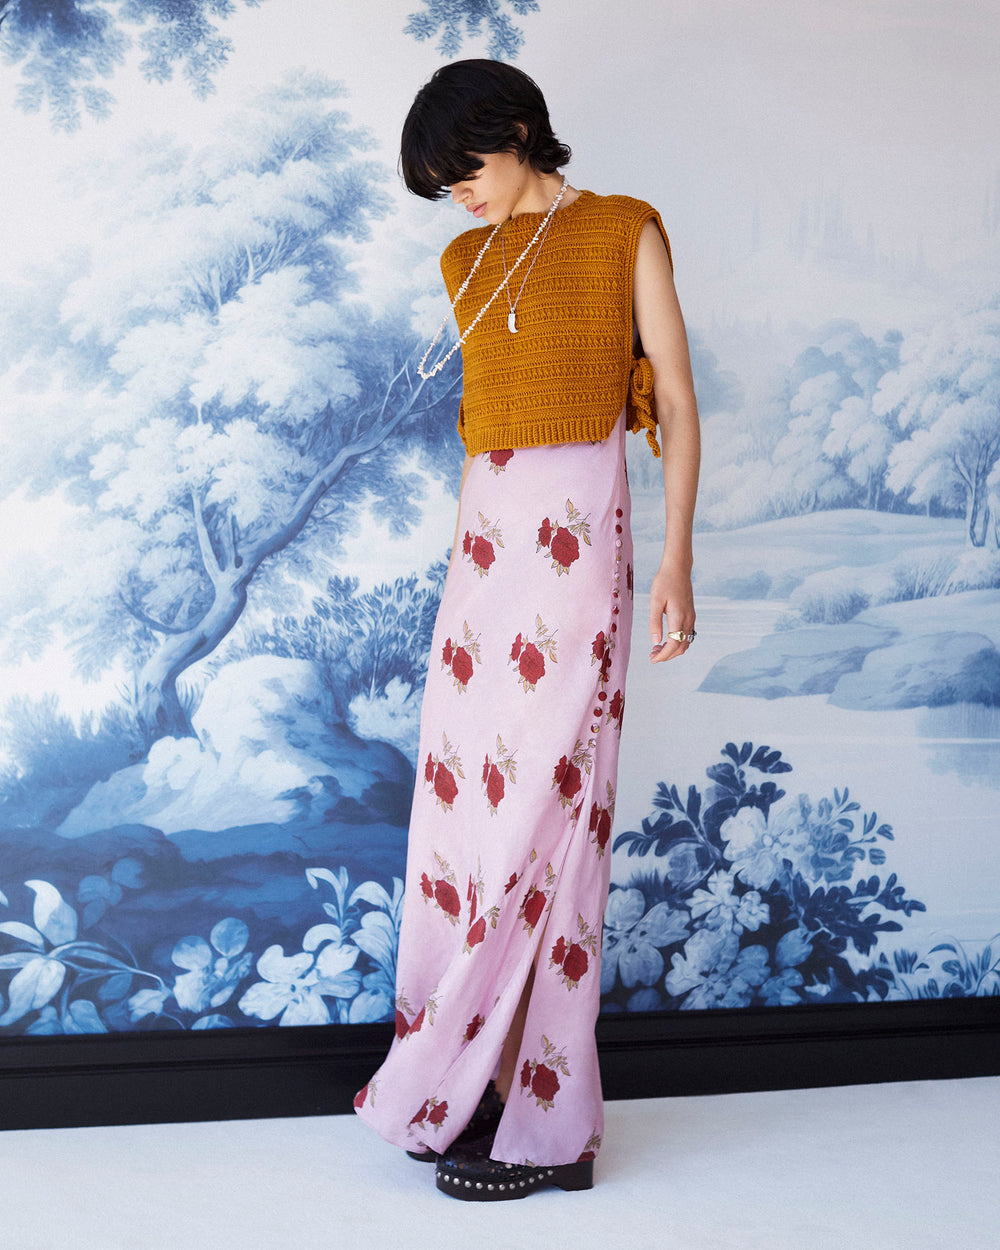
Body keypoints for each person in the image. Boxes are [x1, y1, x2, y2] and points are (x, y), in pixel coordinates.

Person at [353, 57, 700, 1201]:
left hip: (575, 555)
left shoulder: (620, 230)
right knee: (467, 815)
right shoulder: (464, 258)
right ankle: (472, 1083)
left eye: (465, 166)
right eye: (438, 181)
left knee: (550, 814)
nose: (455, 193)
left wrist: (677, 566)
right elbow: (483, 443)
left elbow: (678, 405)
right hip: (484, 567)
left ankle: (551, 1131)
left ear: (516, 132)